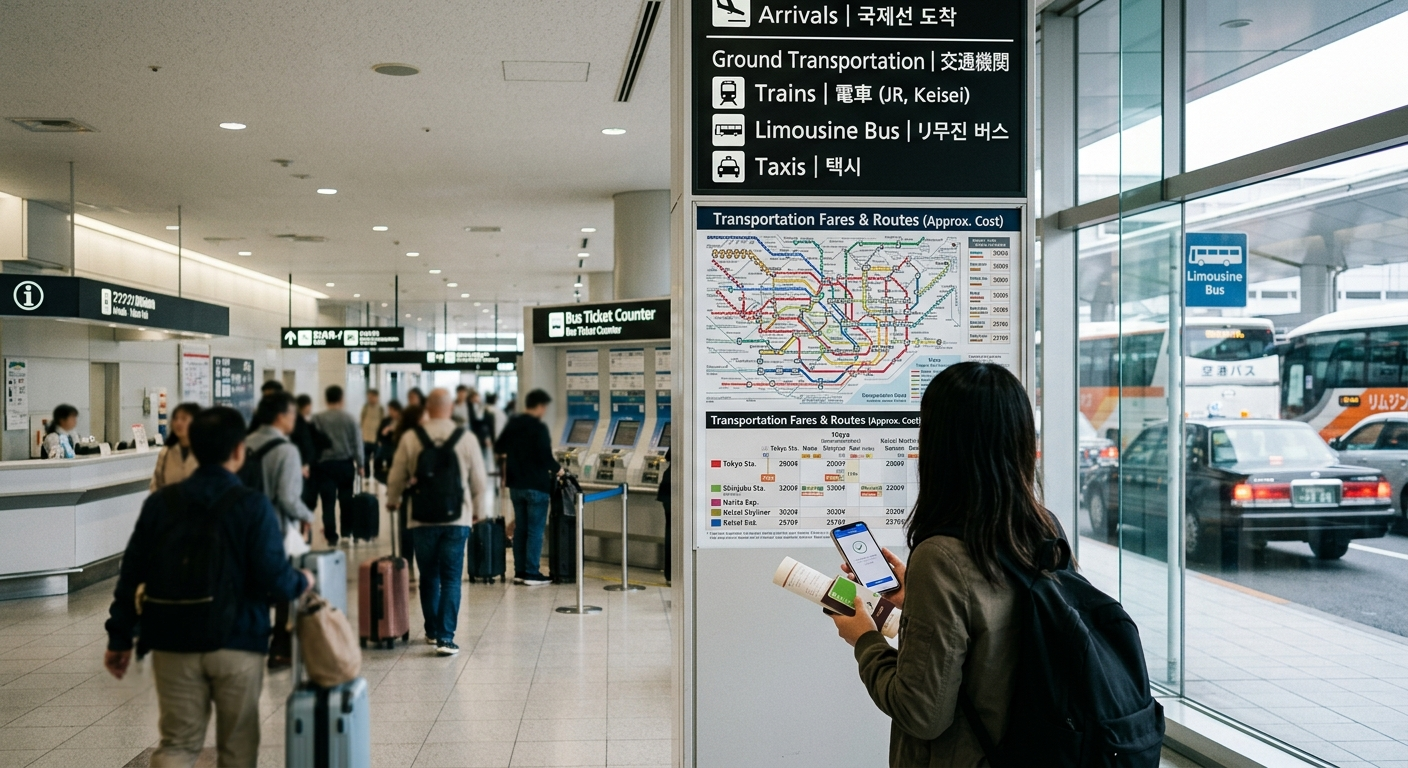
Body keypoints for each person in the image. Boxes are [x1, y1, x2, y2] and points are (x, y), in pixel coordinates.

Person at [827, 363, 1059, 767]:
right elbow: (997, 637)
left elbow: (922, 713)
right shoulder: (1043, 529)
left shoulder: (941, 557)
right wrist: (912, 597)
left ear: (938, 446)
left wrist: (863, 638)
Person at [103, 407, 314, 768]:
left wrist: (119, 637)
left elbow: (132, 573)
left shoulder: (159, 504)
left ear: (195, 448)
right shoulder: (252, 505)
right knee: (237, 747)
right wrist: (302, 581)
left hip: (172, 637)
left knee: (177, 744)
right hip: (237, 638)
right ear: (238, 450)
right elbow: (273, 576)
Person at [385, 389, 489, 655]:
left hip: (421, 518)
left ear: (428, 408)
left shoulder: (411, 437)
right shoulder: (465, 437)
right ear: (451, 407)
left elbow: (396, 474)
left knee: (428, 575)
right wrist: (479, 511)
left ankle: (431, 631)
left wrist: (393, 499)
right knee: (452, 578)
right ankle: (446, 637)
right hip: (458, 518)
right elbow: (479, 480)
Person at [246, 392, 317, 671]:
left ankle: (252, 642)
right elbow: (288, 498)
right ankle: (280, 647)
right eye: (292, 415)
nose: (294, 420)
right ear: (280, 416)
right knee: (283, 585)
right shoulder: (286, 450)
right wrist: (308, 515)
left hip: (242, 528)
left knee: (251, 586)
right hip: (274, 530)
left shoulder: (243, 445)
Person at [495, 389, 560, 586]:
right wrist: (560, 470)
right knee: (535, 530)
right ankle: (532, 572)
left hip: (516, 485)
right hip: (536, 485)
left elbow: (499, 448)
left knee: (521, 529)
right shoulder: (539, 428)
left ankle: (520, 571)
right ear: (540, 406)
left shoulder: (513, 424)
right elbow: (545, 457)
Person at [310, 385, 362, 545]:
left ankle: (331, 536)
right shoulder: (350, 418)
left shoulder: (317, 418)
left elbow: (311, 442)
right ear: (341, 399)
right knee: (346, 500)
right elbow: (357, 443)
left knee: (328, 502)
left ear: (326, 399)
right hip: (345, 465)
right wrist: (361, 463)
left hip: (324, 466)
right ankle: (347, 534)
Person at [150, 403, 201, 491]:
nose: (178, 422)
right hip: (170, 503)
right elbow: (156, 485)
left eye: (184, 418)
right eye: (175, 418)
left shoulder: (207, 451)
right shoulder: (166, 453)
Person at [293, 394, 319, 511]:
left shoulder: (301, 423)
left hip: (301, 466)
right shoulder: (301, 424)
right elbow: (306, 446)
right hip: (303, 468)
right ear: (307, 406)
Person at [374, 400, 403, 484]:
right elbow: (380, 433)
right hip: (387, 447)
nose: (390, 412)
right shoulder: (386, 421)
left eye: (391, 410)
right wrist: (384, 433)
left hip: (398, 448)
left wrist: (393, 430)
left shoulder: (402, 421)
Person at [359, 388, 385, 480]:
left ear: (376, 397)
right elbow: (361, 420)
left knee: (377, 459)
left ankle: (377, 476)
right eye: (368, 397)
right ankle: (366, 476)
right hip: (366, 438)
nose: (370, 398)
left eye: (372, 397)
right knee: (365, 459)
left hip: (376, 439)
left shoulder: (381, 408)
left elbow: (384, 422)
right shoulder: (366, 407)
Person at [656, 447, 671, 584]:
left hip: (669, 490)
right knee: (674, 533)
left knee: (670, 532)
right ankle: (673, 573)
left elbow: (668, 456)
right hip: (676, 490)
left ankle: (670, 575)